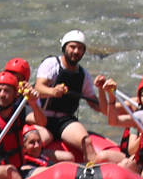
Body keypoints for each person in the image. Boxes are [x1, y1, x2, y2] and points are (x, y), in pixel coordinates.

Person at [33, 31, 119, 164]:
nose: (76, 51)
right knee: (35, 143)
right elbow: (38, 88)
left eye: (80, 48)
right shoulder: (52, 64)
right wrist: (53, 91)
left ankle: (93, 175)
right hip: (44, 119)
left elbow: (97, 105)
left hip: (65, 121)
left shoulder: (84, 75)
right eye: (72, 47)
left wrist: (104, 91)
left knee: (87, 143)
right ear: (64, 48)